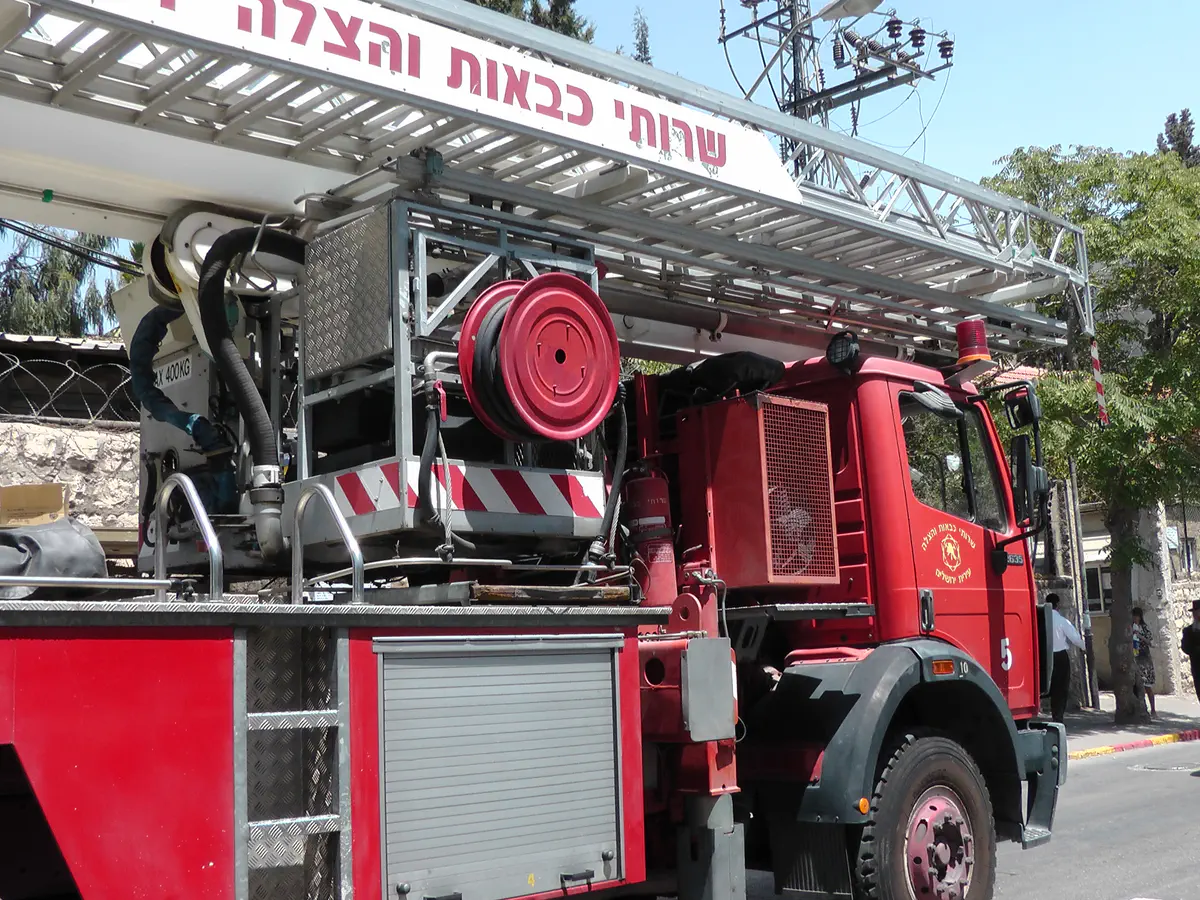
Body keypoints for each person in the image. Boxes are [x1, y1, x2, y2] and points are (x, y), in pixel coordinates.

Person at [1047, 593, 1085, 724]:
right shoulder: (1062, 621)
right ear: (1058, 605)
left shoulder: (1040, 620)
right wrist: (1083, 647)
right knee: (1061, 687)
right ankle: (1057, 717)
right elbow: (1075, 638)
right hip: (1059, 656)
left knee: (1048, 686)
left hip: (1044, 656)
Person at [1132, 606, 1156, 718]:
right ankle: (1139, 709)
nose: (1135, 618)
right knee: (1137, 685)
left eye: (1137, 616)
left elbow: (1150, 642)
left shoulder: (1144, 628)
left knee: (1147, 685)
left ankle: (1153, 710)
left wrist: (1140, 636)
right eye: (1134, 616)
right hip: (1135, 658)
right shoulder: (1130, 628)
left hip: (1144, 658)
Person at [1181, 599, 1200, 704]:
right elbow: (1185, 647)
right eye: (1195, 612)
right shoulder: (1189, 631)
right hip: (1197, 668)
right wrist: (1195, 650)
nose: (1197, 615)